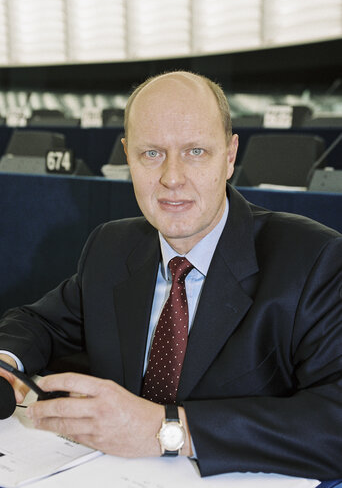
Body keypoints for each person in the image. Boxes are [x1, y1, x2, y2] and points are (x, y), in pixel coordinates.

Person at [1, 70, 342, 480]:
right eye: (152, 153)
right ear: (127, 155)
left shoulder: (313, 260)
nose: (172, 178)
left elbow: (334, 420)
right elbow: (39, 323)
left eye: (196, 151)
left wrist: (169, 429)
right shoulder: (111, 247)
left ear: (231, 156)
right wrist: (5, 361)